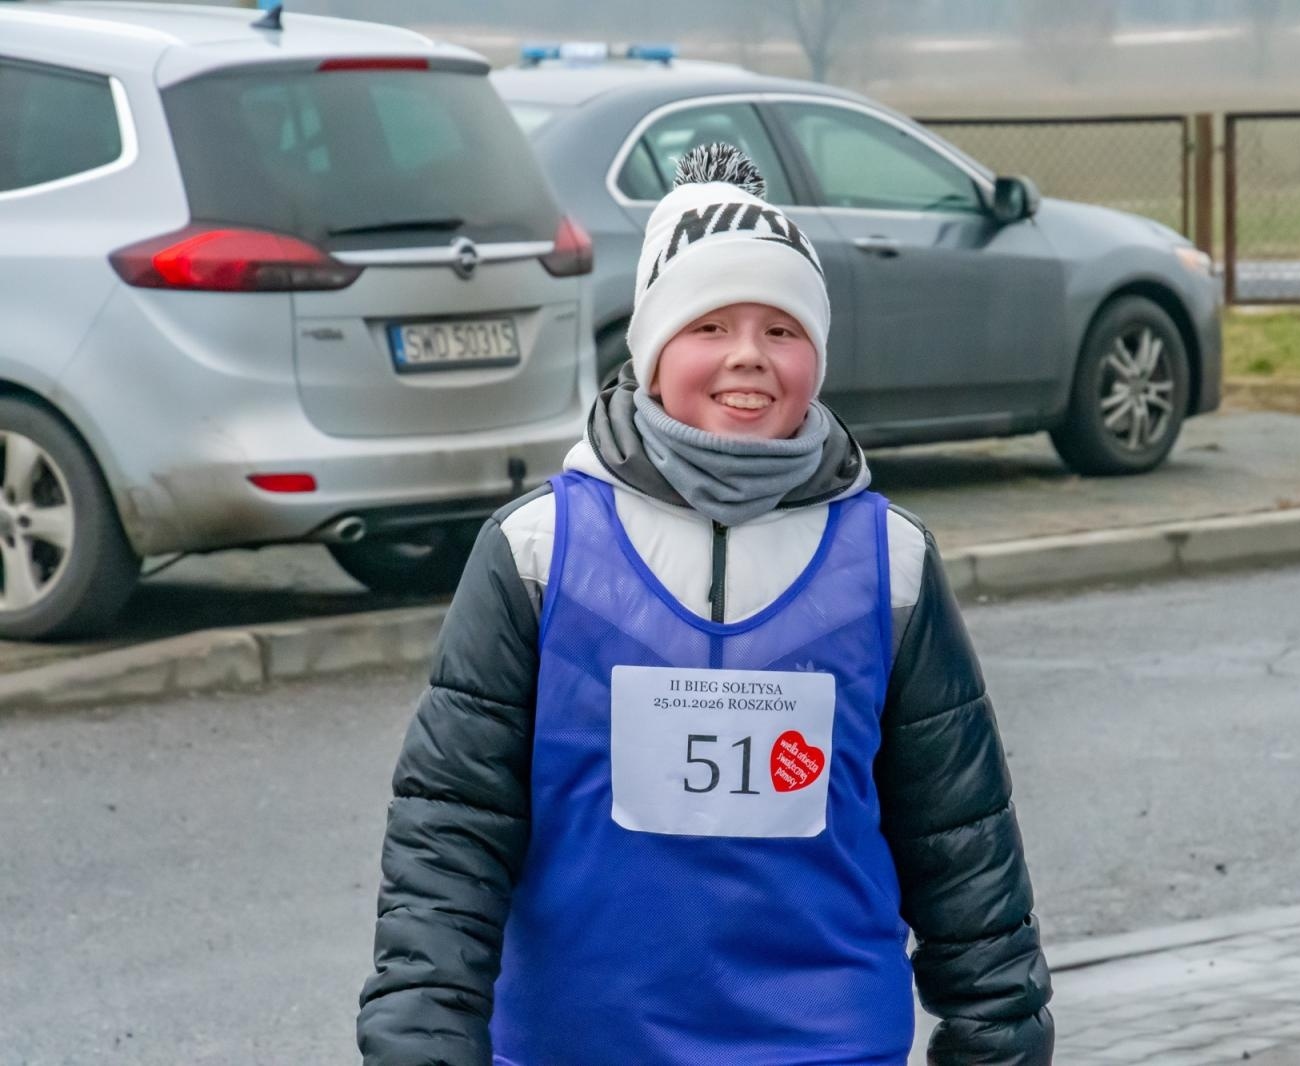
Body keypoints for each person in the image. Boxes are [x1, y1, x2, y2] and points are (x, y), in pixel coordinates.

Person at [356, 143, 1053, 1066]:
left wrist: (999, 1027)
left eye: (783, 330)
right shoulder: (537, 552)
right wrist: (422, 1035)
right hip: (577, 1044)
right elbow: (452, 823)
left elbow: (957, 828)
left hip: (825, 1044)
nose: (748, 359)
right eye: (710, 326)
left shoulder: (889, 564)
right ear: (650, 352)